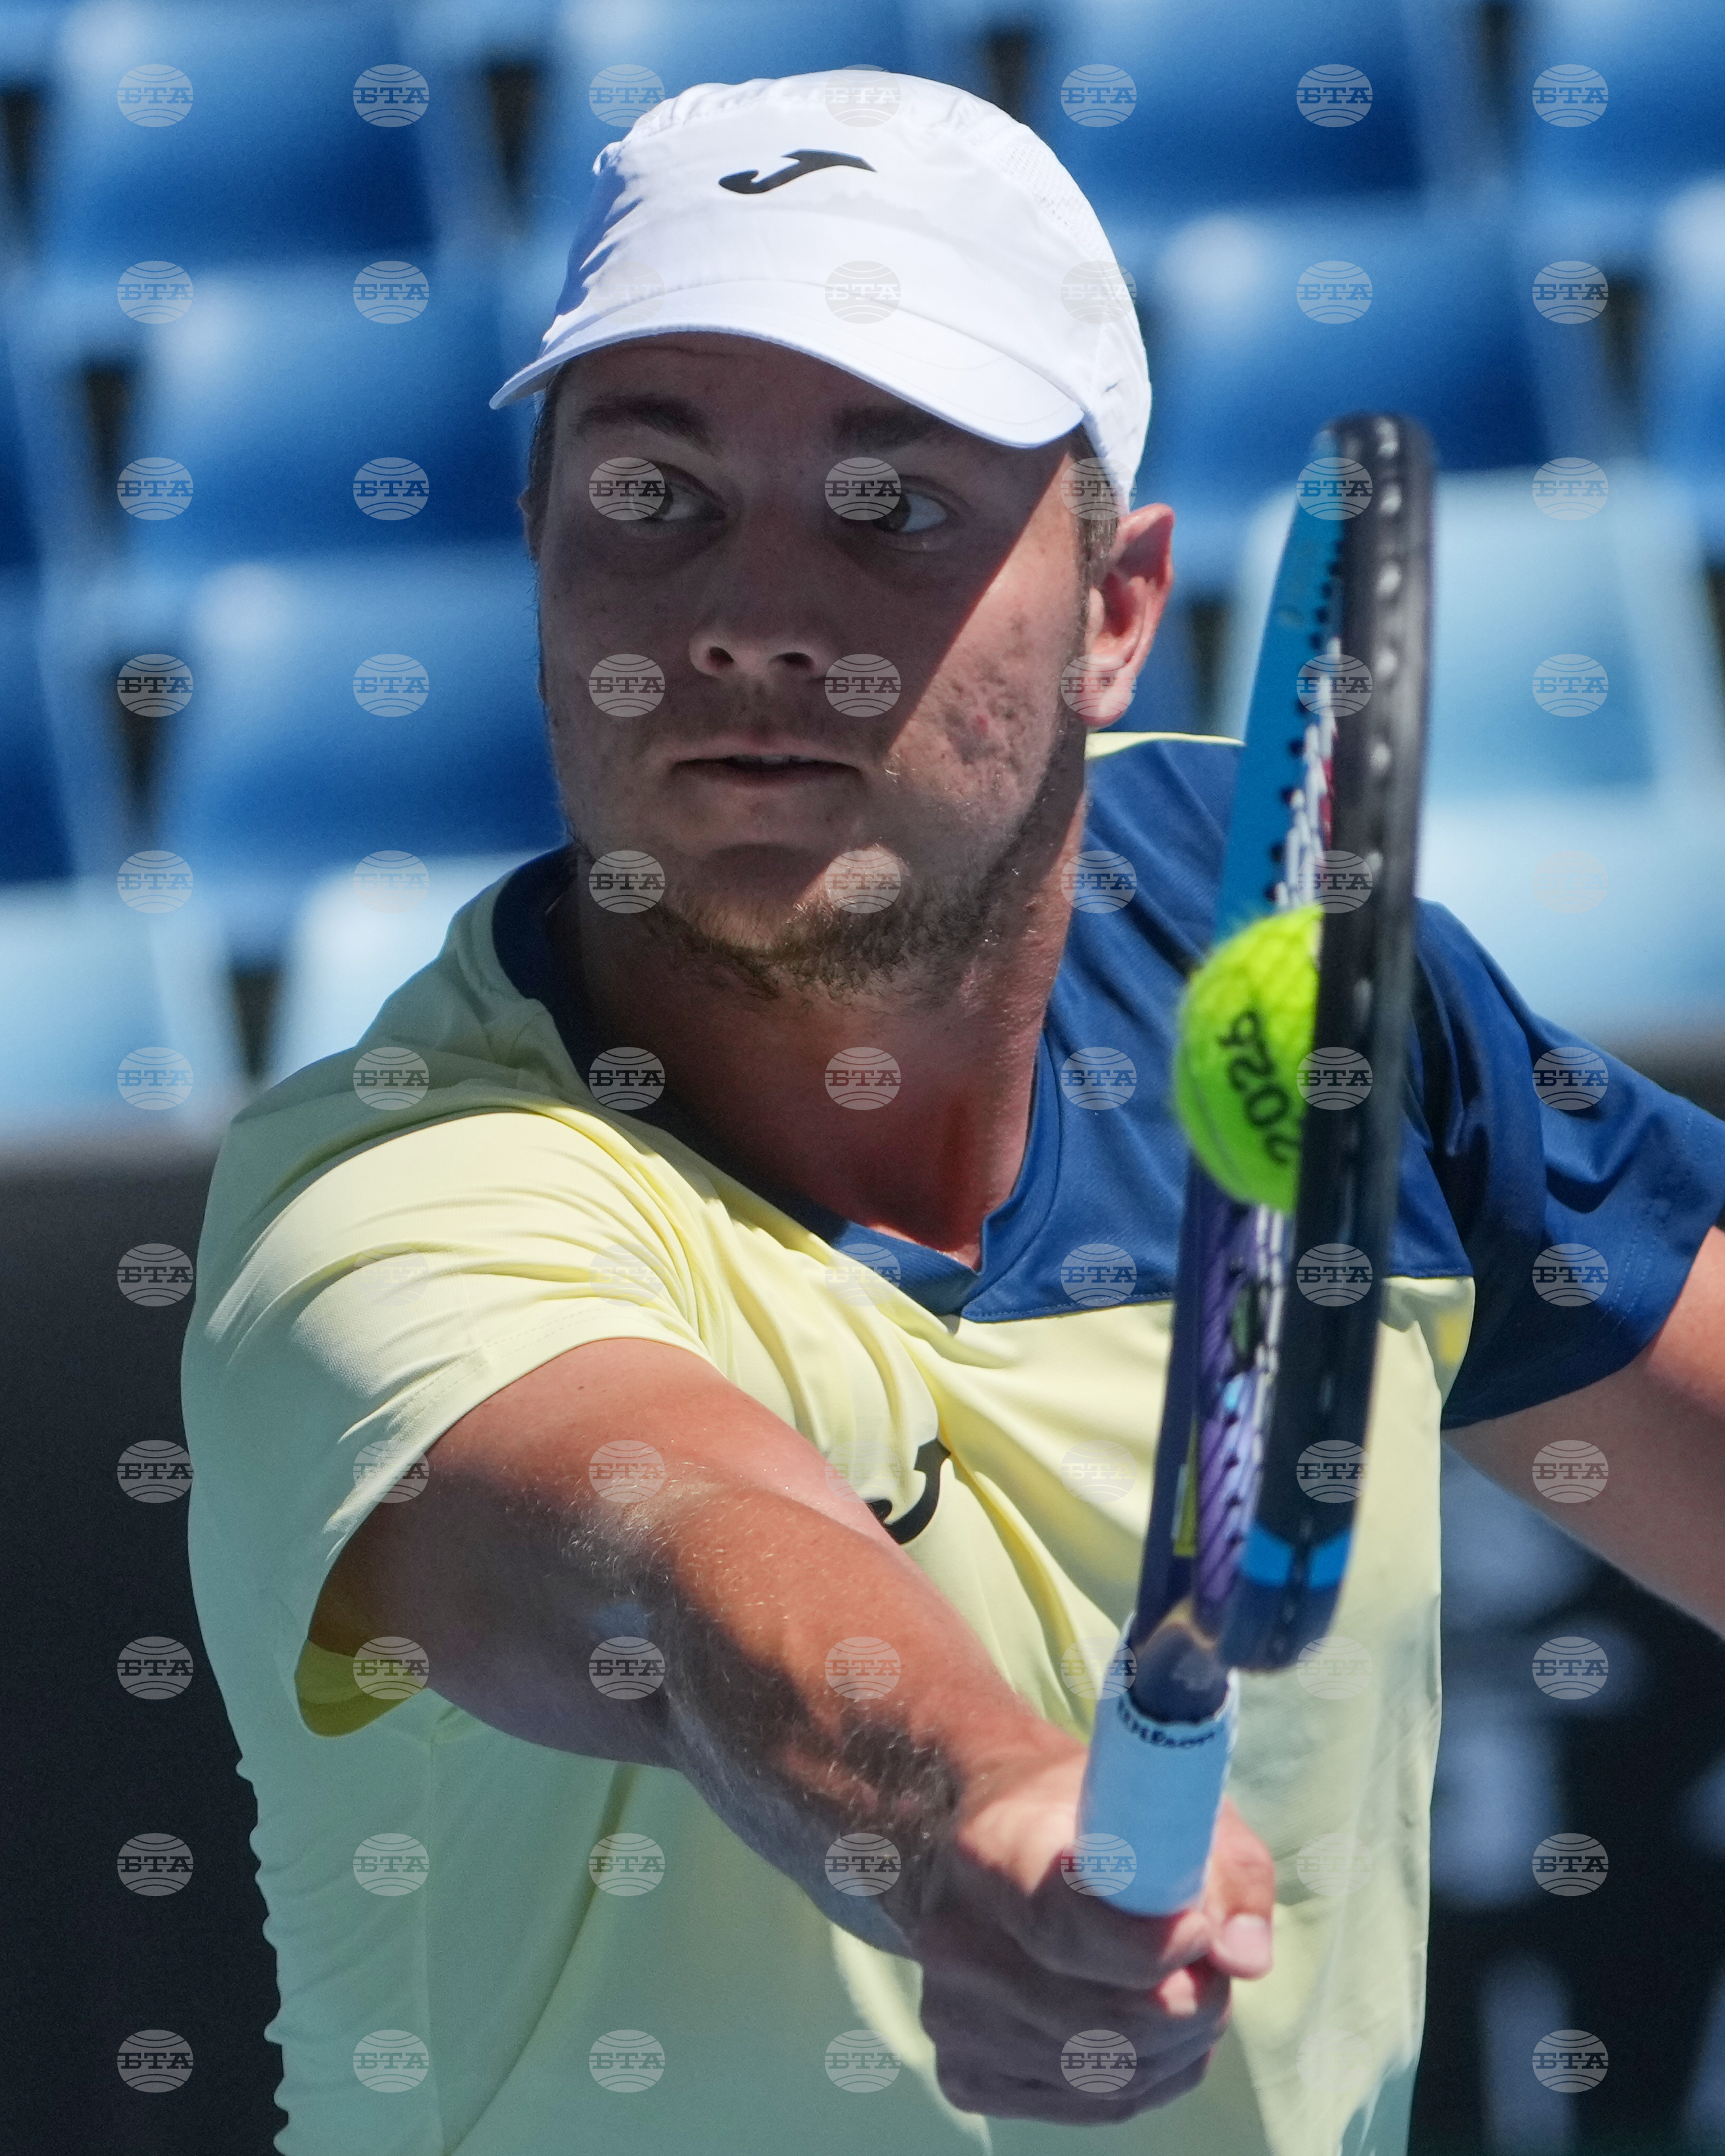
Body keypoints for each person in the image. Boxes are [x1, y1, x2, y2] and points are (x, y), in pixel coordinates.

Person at [182, 71, 1725, 2156]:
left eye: (892, 500)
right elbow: (667, 1562)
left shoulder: (1299, 985)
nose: (743, 609)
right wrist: (973, 1814)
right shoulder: (385, 1194)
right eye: (653, 497)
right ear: (538, 555)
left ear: (1111, 610)